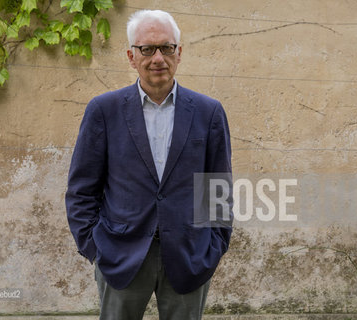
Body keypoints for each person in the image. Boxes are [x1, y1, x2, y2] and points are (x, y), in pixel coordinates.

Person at [65, 9, 233, 320]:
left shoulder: (208, 113)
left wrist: (214, 246)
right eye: (147, 49)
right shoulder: (104, 111)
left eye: (166, 48)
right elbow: (81, 189)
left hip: (189, 255)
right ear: (131, 56)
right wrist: (95, 248)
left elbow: (218, 190)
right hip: (120, 255)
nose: (158, 58)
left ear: (179, 53)